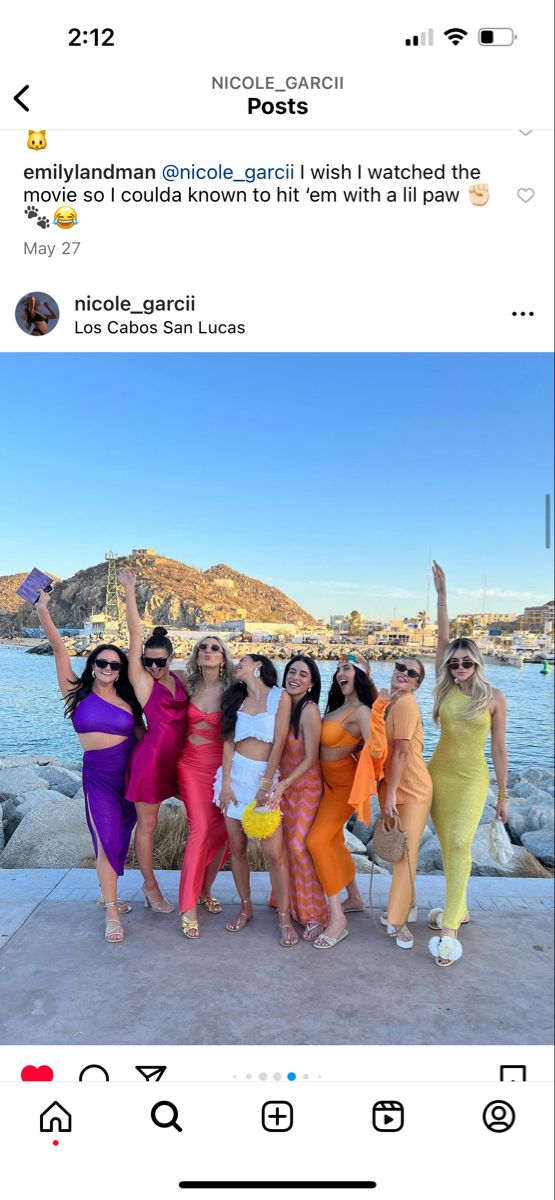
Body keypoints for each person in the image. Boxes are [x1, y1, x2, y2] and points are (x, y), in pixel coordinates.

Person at [35, 588, 143, 943]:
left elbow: (136, 640)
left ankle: (104, 891)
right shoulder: (75, 691)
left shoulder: (130, 699)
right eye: (102, 663)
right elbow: (59, 648)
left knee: (117, 840)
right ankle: (112, 908)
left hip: (127, 777)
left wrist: (128, 593)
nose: (109, 668)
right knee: (105, 834)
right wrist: (43, 610)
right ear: (92, 666)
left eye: (115, 664)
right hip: (97, 777)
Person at [428, 561, 509, 966]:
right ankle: (458, 907)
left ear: (478, 663)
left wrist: (504, 794)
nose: (459, 668)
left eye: (466, 662)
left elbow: (498, 749)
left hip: (471, 779)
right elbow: (443, 637)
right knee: (448, 848)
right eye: (454, 663)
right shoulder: (444, 688)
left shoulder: (493, 697)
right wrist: (442, 596)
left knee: (461, 842)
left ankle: (450, 928)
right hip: (436, 776)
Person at [119, 569, 188, 915]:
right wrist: (131, 590)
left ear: (171, 658)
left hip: (181, 763)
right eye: (149, 661)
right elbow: (135, 634)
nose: (154, 666)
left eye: (160, 662)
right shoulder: (143, 681)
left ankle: (198, 887)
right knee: (148, 824)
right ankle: (149, 887)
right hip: (151, 762)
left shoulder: (181, 678)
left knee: (206, 818)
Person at [214, 654, 296, 946]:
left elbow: (279, 743)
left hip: (263, 778)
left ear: (258, 666)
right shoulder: (234, 699)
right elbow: (227, 744)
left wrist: (266, 783)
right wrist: (224, 785)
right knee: (237, 849)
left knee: (274, 854)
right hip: (234, 779)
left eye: (243, 661)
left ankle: (284, 917)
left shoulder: (279, 698)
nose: (237, 664)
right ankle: (246, 905)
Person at [306, 652, 378, 949]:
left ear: (360, 674)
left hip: (345, 787)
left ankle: (337, 919)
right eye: (338, 670)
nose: (339, 674)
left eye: (346, 668)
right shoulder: (340, 707)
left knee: (317, 841)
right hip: (326, 784)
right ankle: (355, 898)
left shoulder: (362, 711)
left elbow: (378, 750)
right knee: (333, 841)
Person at [176, 635, 235, 939]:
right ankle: (187, 905)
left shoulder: (234, 692)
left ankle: (205, 889)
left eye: (215, 648)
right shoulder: (185, 685)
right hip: (190, 766)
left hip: (222, 769)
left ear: (224, 658)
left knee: (223, 832)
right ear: (196, 655)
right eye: (203, 647)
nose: (208, 651)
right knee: (199, 830)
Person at [269, 656, 329, 940]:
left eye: (303, 674)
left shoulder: (309, 710)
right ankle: (287, 903)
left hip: (305, 788)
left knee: (298, 847)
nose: (295, 677)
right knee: (281, 847)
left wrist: (284, 784)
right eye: (292, 671)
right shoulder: (281, 705)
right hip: (282, 786)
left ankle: (314, 913)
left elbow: (310, 758)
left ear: (312, 683)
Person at [379, 659, 432, 950]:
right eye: (401, 666)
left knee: (404, 857)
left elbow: (400, 753)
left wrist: (390, 795)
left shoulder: (405, 704)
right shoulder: (391, 702)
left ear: (416, 684)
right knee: (407, 853)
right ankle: (409, 906)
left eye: (412, 673)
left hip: (411, 790)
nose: (404, 673)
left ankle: (396, 921)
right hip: (398, 787)